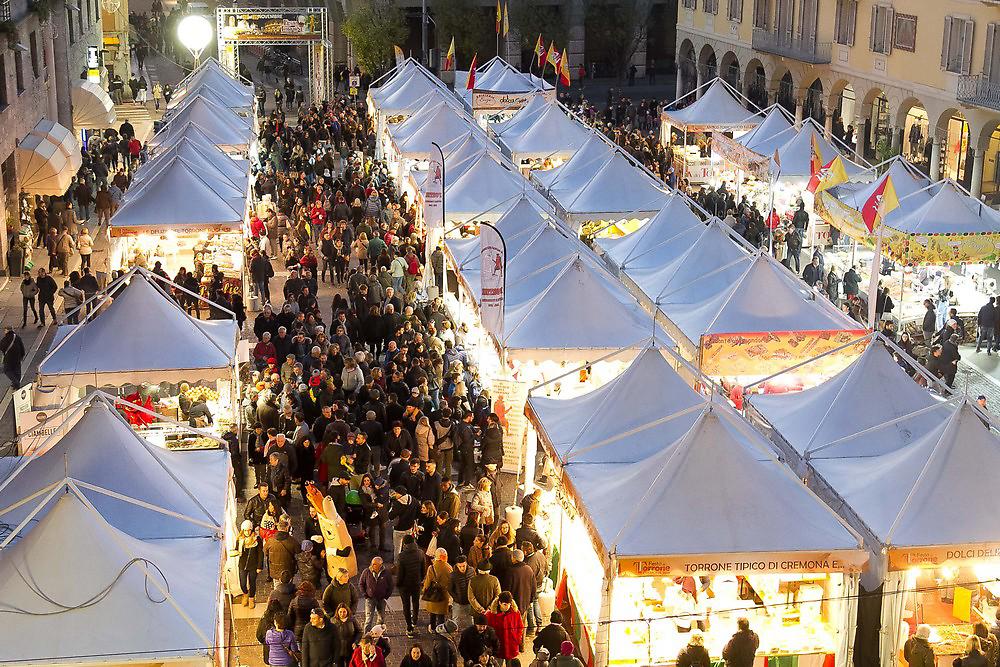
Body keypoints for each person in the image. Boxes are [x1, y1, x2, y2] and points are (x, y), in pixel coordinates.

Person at [397, 534, 425, 637]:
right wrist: (420, 579)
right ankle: (415, 620)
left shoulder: (402, 556)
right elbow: (423, 569)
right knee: (416, 602)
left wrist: (398, 584)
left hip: (404, 585)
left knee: (406, 605)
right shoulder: (420, 553)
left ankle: (409, 628)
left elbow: (400, 573)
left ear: (404, 543)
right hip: (416, 583)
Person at [485, 591, 524, 665]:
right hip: (498, 647)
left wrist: (517, 639)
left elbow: (520, 627)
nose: (507, 607)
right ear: (499, 603)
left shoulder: (515, 613)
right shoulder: (490, 614)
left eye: (509, 604)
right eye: (505, 604)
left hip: (511, 646)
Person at [358, 556, 393, 632]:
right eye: (372, 563)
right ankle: (367, 634)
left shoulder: (386, 573)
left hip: (381, 599)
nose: (372, 565)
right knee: (369, 618)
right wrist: (365, 595)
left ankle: (378, 632)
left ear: (380, 565)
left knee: (381, 618)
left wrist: (386, 596)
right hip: (370, 599)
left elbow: (391, 585)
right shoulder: (366, 572)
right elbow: (361, 584)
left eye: (374, 564)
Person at [422, 547, 453, 632]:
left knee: (432, 613)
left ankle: (432, 628)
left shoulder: (431, 568)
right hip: (444, 595)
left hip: (433, 594)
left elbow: (427, 583)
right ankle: (440, 630)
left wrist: (424, 590)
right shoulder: (449, 567)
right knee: (441, 615)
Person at [235, 520, 263, 608]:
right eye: (245, 530)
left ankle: (251, 598)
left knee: (252, 582)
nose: (247, 532)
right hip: (243, 565)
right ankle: (245, 594)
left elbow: (260, 553)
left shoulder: (257, 539)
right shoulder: (239, 539)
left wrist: (259, 566)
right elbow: (236, 549)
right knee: (242, 583)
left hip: (253, 565)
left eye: (249, 530)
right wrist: (235, 552)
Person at [330, 603, 361, 667]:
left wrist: (356, 642)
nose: (342, 614)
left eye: (344, 612)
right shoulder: (333, 620)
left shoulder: (352, 620)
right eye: (340, 612)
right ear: (337, 612)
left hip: (350, 648)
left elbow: (359, 632)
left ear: (347, 611)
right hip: (338, 649)